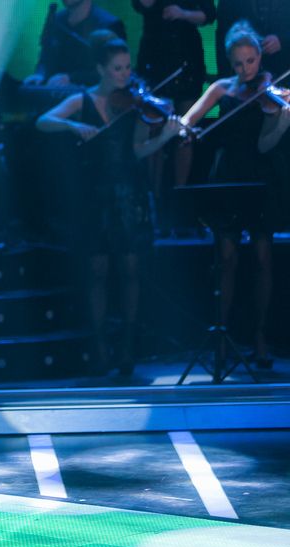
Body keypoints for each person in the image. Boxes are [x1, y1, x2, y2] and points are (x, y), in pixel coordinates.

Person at [37, 34, 182, 376]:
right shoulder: (82, 99)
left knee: (130, 270)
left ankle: (128, 346)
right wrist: (72, 125)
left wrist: (164, 136)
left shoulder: (134, 105)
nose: (125, 74)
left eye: (127, 68)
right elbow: (42, 122)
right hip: (94, 195)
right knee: (97, 272)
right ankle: (100, 346)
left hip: (128, 193)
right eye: (117, 68)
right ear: (101, 69)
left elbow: (138, 151)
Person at [181, 21, 281, 368]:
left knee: (263, 258)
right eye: (238, 63)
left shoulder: (271, 88)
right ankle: (222, 339)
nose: (246, 70)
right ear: (229, 62)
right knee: (226, 259)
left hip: (260, 175)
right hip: (227, 175)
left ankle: (260, 337)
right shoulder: (222, 88)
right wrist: (185, 129)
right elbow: (189, 118)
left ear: (259, 57)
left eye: (251, 61)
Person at [131, 0, 216, 189]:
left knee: (185, 129)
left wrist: (183, 13)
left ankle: (180, 189)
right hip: (155, 58)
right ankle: (154, 192)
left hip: (187, 60)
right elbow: (141, 5)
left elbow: (208, 15)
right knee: (154, 127)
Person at [26, 0, 127, 88]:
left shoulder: (109, 24)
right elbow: (45, 58)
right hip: (53, 94)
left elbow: (114, 70)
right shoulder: (56, 20)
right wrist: (40, 75)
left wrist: (72, 78)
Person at [216, 0, 290, 78]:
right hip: (240, 72)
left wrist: (282, 40)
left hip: (282, 68)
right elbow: (222, 32)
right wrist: (224, 77)